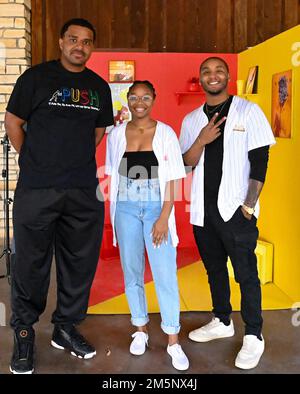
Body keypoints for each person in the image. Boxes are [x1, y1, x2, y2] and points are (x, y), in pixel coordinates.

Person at [5, 18, 114, 374]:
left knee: (79, 263)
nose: (79, 46)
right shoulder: (35, 79)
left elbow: (98, 132)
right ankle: (23, 331)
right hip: (37, 188)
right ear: (61, 42)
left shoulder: (99, 87)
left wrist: (72, 161)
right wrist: (35, 161)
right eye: (73, 39)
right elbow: (12, 123)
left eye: (86, 41)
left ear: (92, 47)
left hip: (83, 189)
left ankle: (65, 327)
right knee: (30, 264)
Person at [179, 57, 276, 370]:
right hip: (203, 213)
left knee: (246, 274)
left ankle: (254, 334)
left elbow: (260, 162)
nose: (213, 75)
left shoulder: (249, 111)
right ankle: (222, 320)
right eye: (206, 71)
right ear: (201, 79)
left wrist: (248, 205)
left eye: (218, 70)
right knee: (214, 270)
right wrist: (202, 140)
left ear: (228, 76)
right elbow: (186, 163)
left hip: (236, 210)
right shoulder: (192, 119)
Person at [105, 80, 189, 371]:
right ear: (127, 100)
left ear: (154, 99)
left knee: (165, 273)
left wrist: (164, 216)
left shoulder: (165, 133)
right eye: (134, 97)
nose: (139, 102)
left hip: (156, 205)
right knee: (132, 271)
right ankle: (139, 329)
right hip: (126, 206)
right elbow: (112, 175)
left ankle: (173, 339)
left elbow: (175, 178)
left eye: (145, 97)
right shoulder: (116, 134)